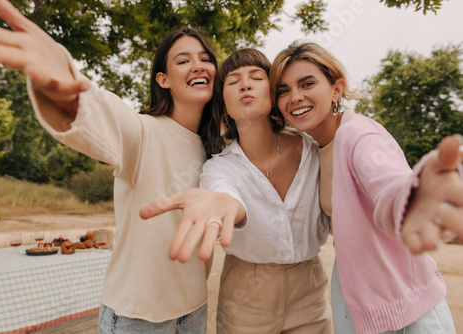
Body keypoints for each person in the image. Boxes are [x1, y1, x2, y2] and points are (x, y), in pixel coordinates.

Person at [0, 0, 219, 332]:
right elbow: (105, 114)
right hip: (138, 317)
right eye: (183, 60)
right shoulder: (144, 132)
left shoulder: (214, 148)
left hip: (195, 309)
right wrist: (69, 91)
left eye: (205, 59)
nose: (198, 66)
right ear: (163, 80)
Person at [271, 41, 462, 333]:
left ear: (336, 89)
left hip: (407, 303)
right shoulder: (310, 148)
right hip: (356, 295)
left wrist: (417, 197)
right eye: (283, 90)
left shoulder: (358, 136)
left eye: (306, 83)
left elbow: (389, 186)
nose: (294, 97)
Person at [145, 48, 333, 333]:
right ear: (223, 102)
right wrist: (222, 205)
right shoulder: (219, 168)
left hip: (310, 289)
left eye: (256, 77)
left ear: (273, 94)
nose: (245, 84)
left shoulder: (313, 150)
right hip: (246, 296)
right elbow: (224, 197)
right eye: (233, 81)